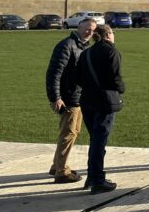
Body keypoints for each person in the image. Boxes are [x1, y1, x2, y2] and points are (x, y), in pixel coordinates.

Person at [45, 17, 96, 183]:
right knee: (68, 134)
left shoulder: (81, 46)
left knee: (72, 132)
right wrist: (56, 97)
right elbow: (54, 73)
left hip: (77, 96)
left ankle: (57, 165)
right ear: (79, 27)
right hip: (68, 98)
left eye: (93, 30)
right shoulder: (67, 45)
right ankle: (62, 171)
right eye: (87, 28)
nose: (90, 32)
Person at [77, 24, 125, 194]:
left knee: (95, 140)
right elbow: (116, 77)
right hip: (104, 101)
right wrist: (121, 89)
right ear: (108, 35)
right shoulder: (111, 51)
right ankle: (98, 179)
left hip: (87, 100)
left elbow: (79, 77)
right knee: (99, 141)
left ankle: (92, 176)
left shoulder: (86, 53)